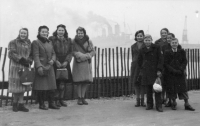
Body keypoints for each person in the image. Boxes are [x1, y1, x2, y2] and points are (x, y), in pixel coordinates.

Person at [32, 25, 59, 110]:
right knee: (41, 87)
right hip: (41, 66)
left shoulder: (49, 42)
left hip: (50, 66)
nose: (44, 33)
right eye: (42, 32)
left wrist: (53, 60)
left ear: (48, 33)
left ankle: (51, 103)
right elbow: (35, 55)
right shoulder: (36, 42)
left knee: (51, 86)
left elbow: (54, 53)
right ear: (39, 32)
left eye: (46, 32)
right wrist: (39, 66)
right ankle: (42, 104)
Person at [164, 38, 195, 111]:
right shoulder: (167, 52)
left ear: (177, 43)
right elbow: (166, 63)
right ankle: (174, 103)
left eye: (175, 42)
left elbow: (185, 61)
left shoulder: (181, 51)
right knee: (172, 89)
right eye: (173, 43)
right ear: (170, 44)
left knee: (183, 89)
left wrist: (181, 69)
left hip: (180, 73)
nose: (174, 44)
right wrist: (173, 70)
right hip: (171, 74)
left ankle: (186, 104)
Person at [8, 28, 32, 112]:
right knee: (16, 85)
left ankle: (21, 104)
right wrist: (22, 60)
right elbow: (12, 54)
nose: (23, 35)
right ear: (19, 33)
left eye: (25, 33)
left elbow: (30, 54)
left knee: (23, 85)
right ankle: (15, 104)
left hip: (25, 67)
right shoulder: (13, 42)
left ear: (27, 34)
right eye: (22, 33)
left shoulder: (29, 43)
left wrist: (29, 60)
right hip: (16, 66)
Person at [138, 34, 163, 112]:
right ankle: (149, 105)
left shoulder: (156, 47)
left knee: (157, 89)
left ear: (151, 40)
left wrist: (159, 70)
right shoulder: (142, 49)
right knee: (148, 89)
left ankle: (159, 106)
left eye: (149, 40)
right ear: (144, 41)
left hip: (155, 71)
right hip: (146, 71)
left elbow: (160, 59)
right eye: (146, 40)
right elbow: (139, 61)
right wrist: (142, 69)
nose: (147, 42)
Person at [49, 24, 73, 107]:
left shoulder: (69, 40)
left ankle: (61, 99)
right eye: (59, 30)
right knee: (55, 82)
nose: (61, 32)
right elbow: (51, 51)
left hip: (65, 62)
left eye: (62, 30)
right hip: (56, 61)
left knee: (63, 83)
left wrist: (67, 61)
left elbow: (70, 52)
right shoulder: (52, 39)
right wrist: (56, 61)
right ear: (56, 30)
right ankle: (55, 100)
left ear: (65, 31)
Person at [72, 27, 95, 105]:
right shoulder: (73, 41)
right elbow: (73, 51)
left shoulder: (89, 41)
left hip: (86, 63)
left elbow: (93, 51)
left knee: (85, 81)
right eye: (79, 33)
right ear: (77, 33)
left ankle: (83, 97)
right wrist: (81, 56)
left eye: (81, 33)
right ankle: (79, 98)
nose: (80, 34)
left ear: (84, 33)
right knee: (79, 82)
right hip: (78, 62)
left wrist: (88, 55)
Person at [130, 30, 146, 107]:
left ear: (143, 37)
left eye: (141, 36)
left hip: (143, 65)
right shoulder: (133, 46)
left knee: (142, 83)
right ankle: (137, 100)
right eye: (138, 36)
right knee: (136, 82)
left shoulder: (145, 45)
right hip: (135, 66)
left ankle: (142, 100)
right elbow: (133, 56)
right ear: (136, 37)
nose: (139, 37)